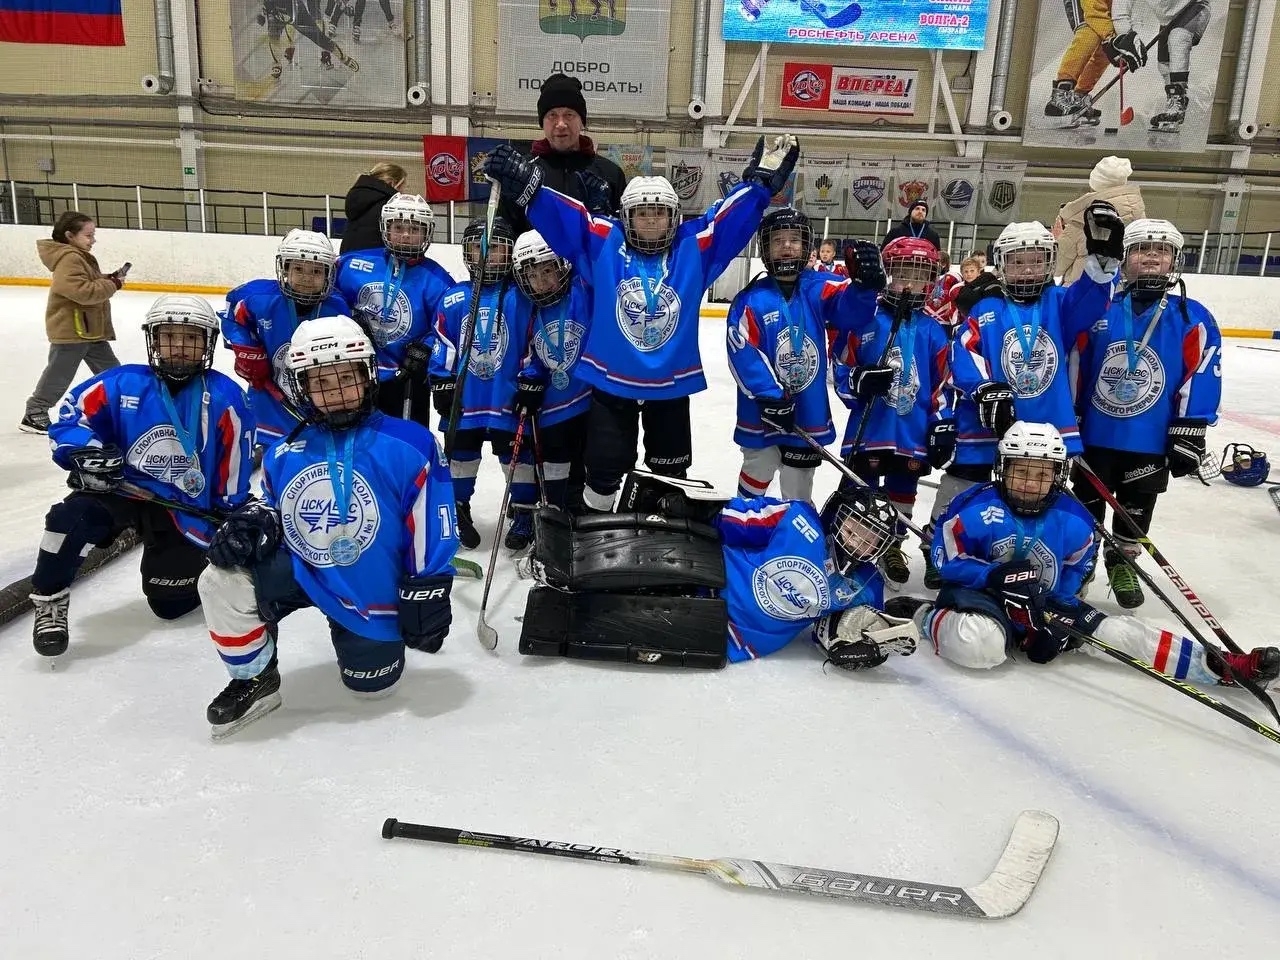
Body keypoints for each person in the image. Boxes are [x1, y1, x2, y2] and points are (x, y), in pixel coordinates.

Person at [484, 134, 800, 513]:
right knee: (602, 470)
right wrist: (532, 191)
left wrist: (758, 187)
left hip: (670, 386)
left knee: (671, 472)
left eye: (659, 212)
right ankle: (593, 532)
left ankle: (660, 532)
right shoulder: (605, 241)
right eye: (642, 212)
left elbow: (726, 222)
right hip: (611, 383)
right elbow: (572, 220)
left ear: (674, 216)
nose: (651, 220)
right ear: (626, 216)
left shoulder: (694, 247)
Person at [198, 315, 459, 739]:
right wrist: (258, 520)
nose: (335, 392)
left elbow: (433, 521)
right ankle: (255, 678)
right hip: (305, 572)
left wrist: (427, 587)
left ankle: (359, 634)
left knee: (372, 691)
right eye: (321, 382)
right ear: (302, 388)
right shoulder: (284, 452)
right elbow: (275, 505)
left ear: (368, 376)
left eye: (346, 378)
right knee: (220, 579)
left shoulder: (411, 443)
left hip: (371, 590)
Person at [911, 421, 1278, 687]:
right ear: (1002, 469)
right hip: (981, 596)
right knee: (982, 648)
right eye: (1020, 471)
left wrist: (1053, 616)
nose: (1030, 483)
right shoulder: (973, 506)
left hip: (1043, 601)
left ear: (1059, 475)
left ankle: (1222, 666)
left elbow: (1076, 570)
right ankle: (925, 616)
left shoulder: (1076, 519)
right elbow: (945, 558)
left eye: (1042, 474)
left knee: (1122, 632)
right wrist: (990, 575)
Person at [29, 296, 254, 660]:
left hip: (183, 506)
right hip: (118, 490)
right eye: (169, 337)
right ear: (153, 340)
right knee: (68, 520)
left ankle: (176, 563)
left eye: (191, 338)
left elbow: (234, 470)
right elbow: (70, 420)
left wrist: (230, 515)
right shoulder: (121, 383)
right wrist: (85, 451)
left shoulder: (227, 399)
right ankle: (50, 599)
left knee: (171, 605)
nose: (179, 347)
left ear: (208, 343)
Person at [518, 471, 919, 670]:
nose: (859, 541)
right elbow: (740, 518)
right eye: (855, 527)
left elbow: (834, 631)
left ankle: (555, 619)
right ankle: (560, 554)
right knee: (641, 559)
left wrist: (864, 645)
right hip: (710, 569)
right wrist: (696, 510)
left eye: (871, 539)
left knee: (622, 618)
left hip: (732, 637)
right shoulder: (797, 520)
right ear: (837, 516)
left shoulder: (865, 586)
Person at [926, 207, 1122, 589]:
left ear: (1050, 263)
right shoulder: (987, 308)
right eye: (1018, 262)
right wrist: (984, 389)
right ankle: (940, 545)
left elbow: (1090, 300)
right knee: (964, 483)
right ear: (1002, 265)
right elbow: (963, 351)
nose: (1028, 270)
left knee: (1039, 493)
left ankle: (1046, 556)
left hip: (1047, 426)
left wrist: (1102, 263)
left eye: (1037, 261)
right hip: (987, 424)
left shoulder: (1060, 302)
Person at [1072, 218, 1221, 608]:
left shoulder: (1192, 316)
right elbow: (1076, 362)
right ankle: (1080, 562)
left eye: (1162, 250)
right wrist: (1069, 413)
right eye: (1141, 249)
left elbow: (1201, 371)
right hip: (1094, 433)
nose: (1152, 257)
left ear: (1175, 260)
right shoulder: (1100, 307)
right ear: (1124, 258)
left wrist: (1191, 426)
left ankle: (1122, 560)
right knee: (1084, 504)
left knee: (1137, 505)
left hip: (1150, 436)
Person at [726, 208, 883, 503]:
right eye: (778, 240)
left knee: (799, 480)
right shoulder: (750, 299)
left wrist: (864, 289)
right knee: (758, 465)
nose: (786, 246)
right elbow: (742, 351)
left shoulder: (819, 286)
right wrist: (770, 396)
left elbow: (849, 313)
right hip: (762, 409)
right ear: (765, 248)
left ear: (807, 245)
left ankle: (797, 526)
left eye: (794, 240)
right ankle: (744, 519)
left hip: (807, 407)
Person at [832, 237, 953, 584]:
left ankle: (892, 546)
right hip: (870, 429)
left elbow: (942, 385)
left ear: (931, 281)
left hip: (912, 431)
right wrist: (856, 380)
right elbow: (839, 366)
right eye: (902, 275)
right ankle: (853, 545)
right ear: (887, 275)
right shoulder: (865, 319)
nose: (909, 284)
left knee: (904, 488)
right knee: (861, 490)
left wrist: (941, 424)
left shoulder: (933, 331)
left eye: (919, 276)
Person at [430, 216, 537, 551]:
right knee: (460, 457)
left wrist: (531, 380)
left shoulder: (523, 297)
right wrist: (442, 381)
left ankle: (524, 512)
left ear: (510, 254)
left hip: (507, 398)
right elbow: (443, 344)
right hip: (467, 400)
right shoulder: (453, 298)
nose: (488, 255)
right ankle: (458, 508)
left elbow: (534, 345)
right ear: (467, 253)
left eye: (497, 249)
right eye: (479, 248)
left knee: (517, 459)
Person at [333, 193, 455, 426]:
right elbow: (330, 298)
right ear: (385, 228)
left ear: (427, 232)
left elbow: (446, 327)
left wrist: (425, 349)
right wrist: (349, 319)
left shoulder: (438, 280)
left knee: (408, 439)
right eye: (398, 227)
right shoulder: (351, 264)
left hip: (408, 377)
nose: (406, 235)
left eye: (415, 229)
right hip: (357, 372)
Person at [221, 229, 349, 449]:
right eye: (298, 268)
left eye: (316, 271)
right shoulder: (256, 298)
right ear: (285, 269)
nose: (307, 278)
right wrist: (247, 351)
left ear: (328, 274)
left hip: (318, 401)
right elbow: (232, 319)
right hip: (267, 400)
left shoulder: (338, 308)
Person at [509, 229, 592, 514]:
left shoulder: (583, 293)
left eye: (547, 271)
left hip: (589, 397)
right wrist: (531, 380)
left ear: (562, 266)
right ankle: (555, 510)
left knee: (590, 457)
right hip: (554, 402)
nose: (541, 282)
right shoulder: (530, 309)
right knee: (554, 457)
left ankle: (582, 509)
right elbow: (530, 354)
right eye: (532, 276)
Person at [23, 211, 126, 435]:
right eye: (88, 235)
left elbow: (87, 282)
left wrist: (108, 278)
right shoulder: (69, 258)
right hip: (72, 330)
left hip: (89, 330)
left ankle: (120, 407)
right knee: (59, 374)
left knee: (111, 371)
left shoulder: (77, 256)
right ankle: (35, 411)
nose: (93, 240)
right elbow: (81, 292)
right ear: (70, 236)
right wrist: (113, 285)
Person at [496, 73, 628, 235]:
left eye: (569, 115)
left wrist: (606, 217)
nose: (560, 124)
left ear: (582, 121)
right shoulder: (521, 172)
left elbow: (626, 237)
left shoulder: (610, 174)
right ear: (542, 122)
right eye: (552, 115)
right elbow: (503, 234)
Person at [1056, 156, 1146, 283]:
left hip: (1082, 290)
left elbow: (1056, 266)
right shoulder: (1139, 215)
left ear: (1094, 184)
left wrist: (1057, 240)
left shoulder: (1080, 219)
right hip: (1123, 289)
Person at [340, 161, 406, 255]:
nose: (403, 192)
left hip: (347, 256)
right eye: (402, 187)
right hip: (376, 258)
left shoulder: (356, 196)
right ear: (392, 183)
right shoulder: (390, 204)